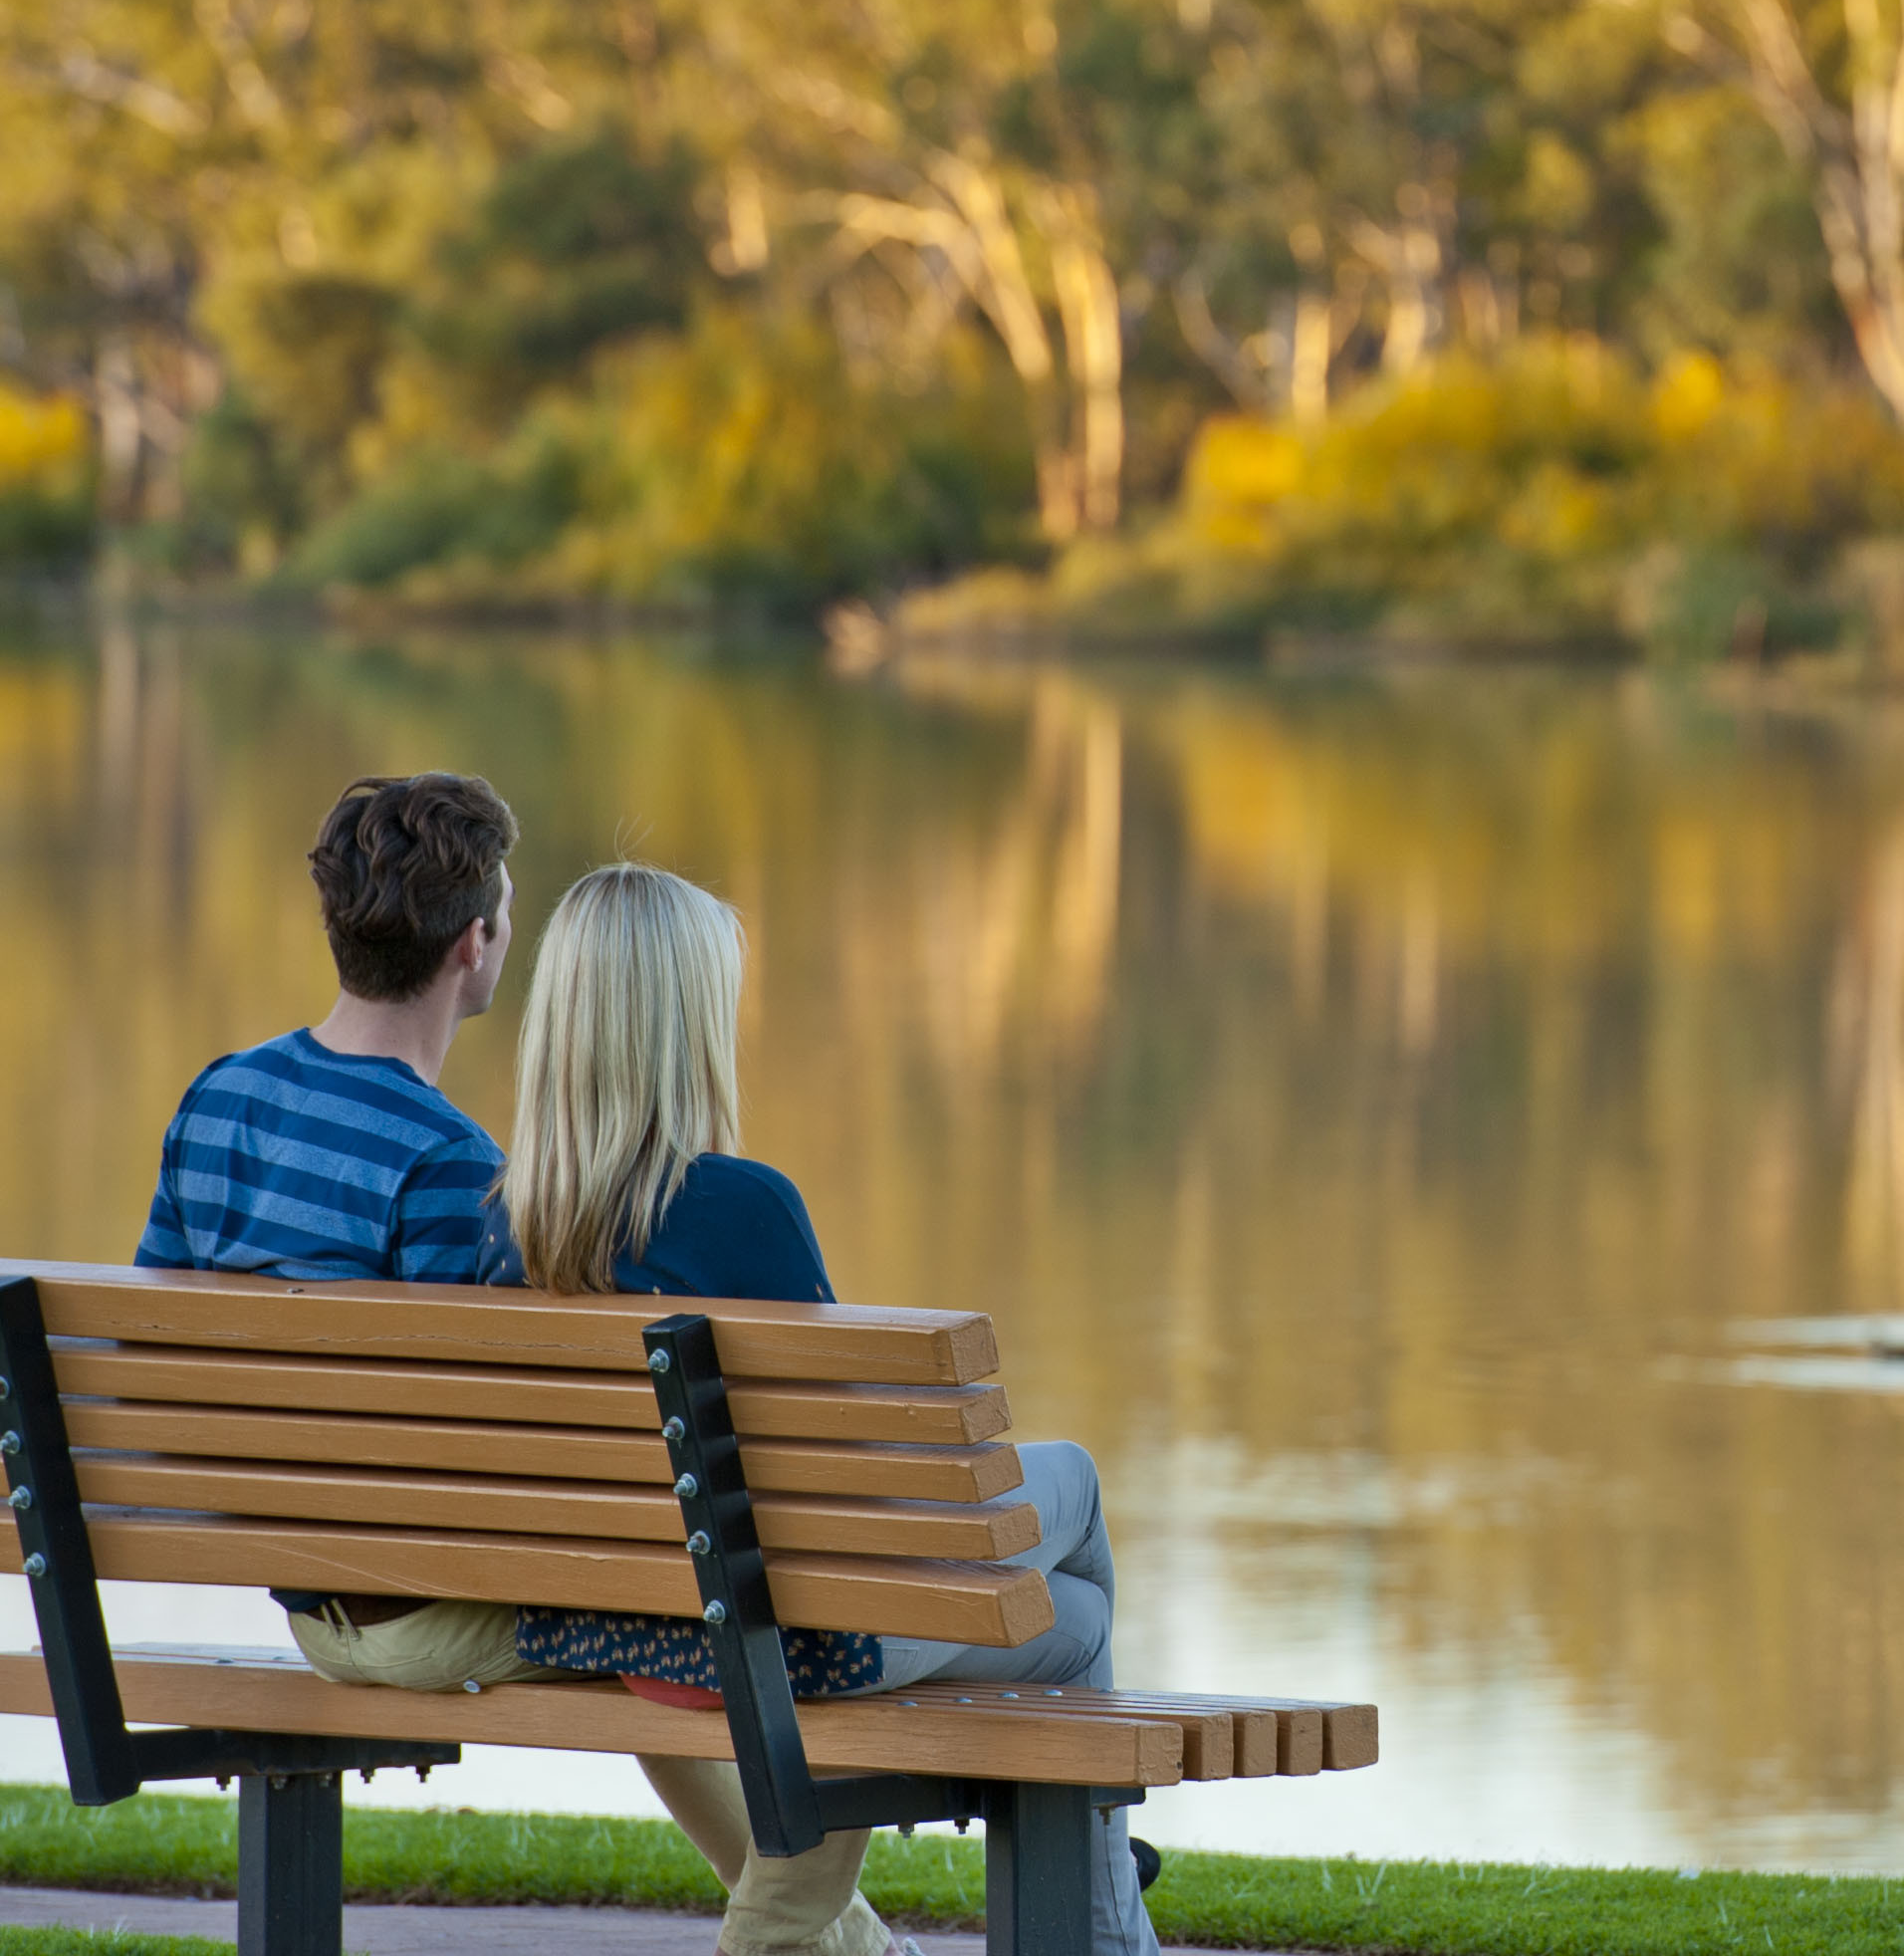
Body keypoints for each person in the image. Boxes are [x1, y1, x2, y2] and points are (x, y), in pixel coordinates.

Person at [485, 861, 1162, 1956]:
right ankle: (1104, 1914)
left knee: (1069, 1623)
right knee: (1073, 1517)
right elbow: (855, 1488)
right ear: (683, 1026)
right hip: (784, 1646)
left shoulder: (496, 1228)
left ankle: (1029, 1905)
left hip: (607, 1629)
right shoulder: (741, 1208)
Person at [135, 773, 532, 1693]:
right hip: (427, 1616)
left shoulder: (219, 1098)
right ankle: (770, 1847)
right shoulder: (451, 1162)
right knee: (702, 1630)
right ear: (473, 944)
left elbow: (144, 1344)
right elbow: (477, 1438)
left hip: (311, 1606)